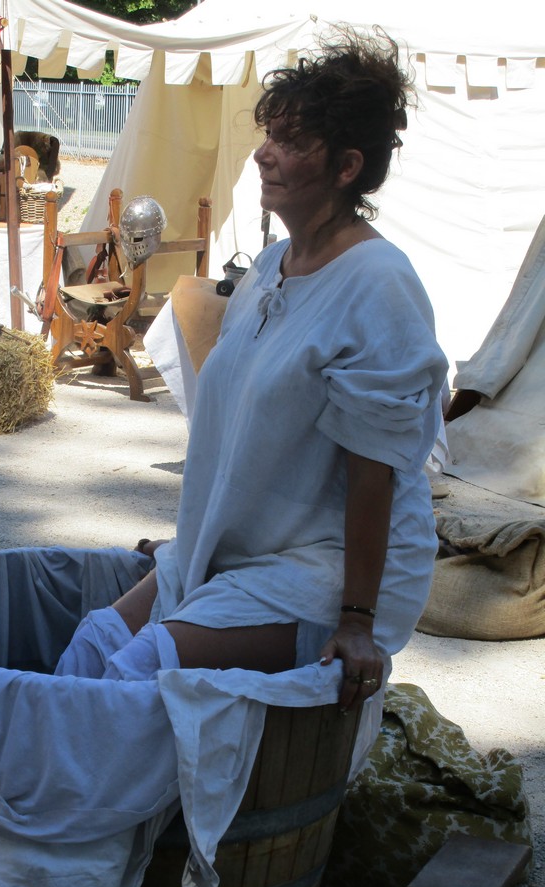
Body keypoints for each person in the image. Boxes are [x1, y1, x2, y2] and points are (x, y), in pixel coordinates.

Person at [58, 29, 448, 730]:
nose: (265, 152)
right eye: (270, 134)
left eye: (291, 142)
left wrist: (356, 621)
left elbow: (375, 472)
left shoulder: (378, 284)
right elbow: (243, 432)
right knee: (93, 647)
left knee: (134, 674)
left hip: (324, 567)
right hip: (245, 547)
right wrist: (196, 541)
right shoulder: (270, 269)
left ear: (346, 167)